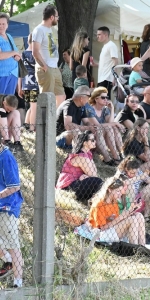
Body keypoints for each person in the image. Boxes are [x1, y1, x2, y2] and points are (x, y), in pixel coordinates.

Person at [56, 86, 116, 166]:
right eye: (88, 97)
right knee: (76, 131)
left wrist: (92, 127)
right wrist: (87, 128)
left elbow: (86, 122)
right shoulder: (69, 105)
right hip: (61, 138)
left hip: (75, 137)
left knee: (97, 130)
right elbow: (68, 126)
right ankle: (78, 157)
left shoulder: (82, 107)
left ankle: (107, 159)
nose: (89, 99)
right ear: (81, 98)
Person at [88, 177, 146, 245]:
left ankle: (142, 246)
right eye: (118, 191)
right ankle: (134, 248)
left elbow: (117, 221)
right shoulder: (99, 204)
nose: (120, 194)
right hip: (100, 233)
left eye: (121, 191)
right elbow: (102, 228)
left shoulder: (114, 202)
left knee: (139, 215)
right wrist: (122, 217)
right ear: (109, 190)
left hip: (112, 229)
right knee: (132, 219)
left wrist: (132, 209)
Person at [32, 4, 66, 108]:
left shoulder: (49, 30)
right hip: (46, 68)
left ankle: (54, 121)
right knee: (47, 99)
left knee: (61, 96)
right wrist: (44, 67)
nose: (58, 19)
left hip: (54, 68)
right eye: (57, 17)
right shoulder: (39, 30)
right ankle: (44, 123)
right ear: (51, 17)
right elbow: (35, 52)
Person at [56, 130, 103, 204]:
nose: (95, 142)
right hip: (67, 187)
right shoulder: (81, 156)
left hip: (76, 184)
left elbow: (94, 172)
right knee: (98, 182)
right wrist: (87, 177)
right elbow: (94, 175)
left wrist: (86, 177)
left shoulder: (88, 154)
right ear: (85, 143)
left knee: (99, 182)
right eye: (92, 140)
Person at [0, 143, 24, 288]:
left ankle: (18, 283)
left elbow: (14, 186)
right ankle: (7, 260)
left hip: (7, 208)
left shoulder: (6, 158)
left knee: (13, 246)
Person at [85, 86, 124, 163]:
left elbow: (110, 123)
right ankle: (113, 158)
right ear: (96, 99)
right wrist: (115, 123)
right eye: (103, 97)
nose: (106, 99)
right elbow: (97, 126)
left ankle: (122, 154)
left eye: (107, 97)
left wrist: (112, 109)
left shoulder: (105, 109)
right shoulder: (90, 109)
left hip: (104, 136)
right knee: (109, 127)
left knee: (114, 128)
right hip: (93, 136)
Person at [116, 156, 150, 221]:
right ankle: (128, 213)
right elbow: (125, 182)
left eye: (136, 172)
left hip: (136, 201)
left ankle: (146, 216)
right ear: (126, 169)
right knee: (131, 186)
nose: (135, 174)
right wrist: (140, 177)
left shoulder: (138, 172)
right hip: (124, 202)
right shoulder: (121, 172)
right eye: (132, 173)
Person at [18, 33, 39, 132]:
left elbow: (20, 72)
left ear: (27, 41)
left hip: (25, 84)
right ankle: (32, 128)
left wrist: (19, 87)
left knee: (31, 106)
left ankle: (26, 126)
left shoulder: (22, 54)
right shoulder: (36, 54)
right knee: (34, 107)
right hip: (34, 84)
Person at [90, 26, 118, 98]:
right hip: (102, 77)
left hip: (107, 78)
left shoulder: (111, 45)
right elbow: (107, 63)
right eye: (97, 35)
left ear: (105, 35)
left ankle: (108, 109)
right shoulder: (105, 46)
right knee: (100, 99)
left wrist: (114, 77)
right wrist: (96, 64)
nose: (97, 36)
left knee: (104, 99)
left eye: (99, 34)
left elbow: (115, 61)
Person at [0, 13, 21, 94]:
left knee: (9, 102)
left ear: (7, 25)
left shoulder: (9, 36)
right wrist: (13, 52)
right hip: (2, 74)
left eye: (3, 24)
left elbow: (15, 52)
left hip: (13, 73)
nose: (1, 26)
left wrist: (17, 56)